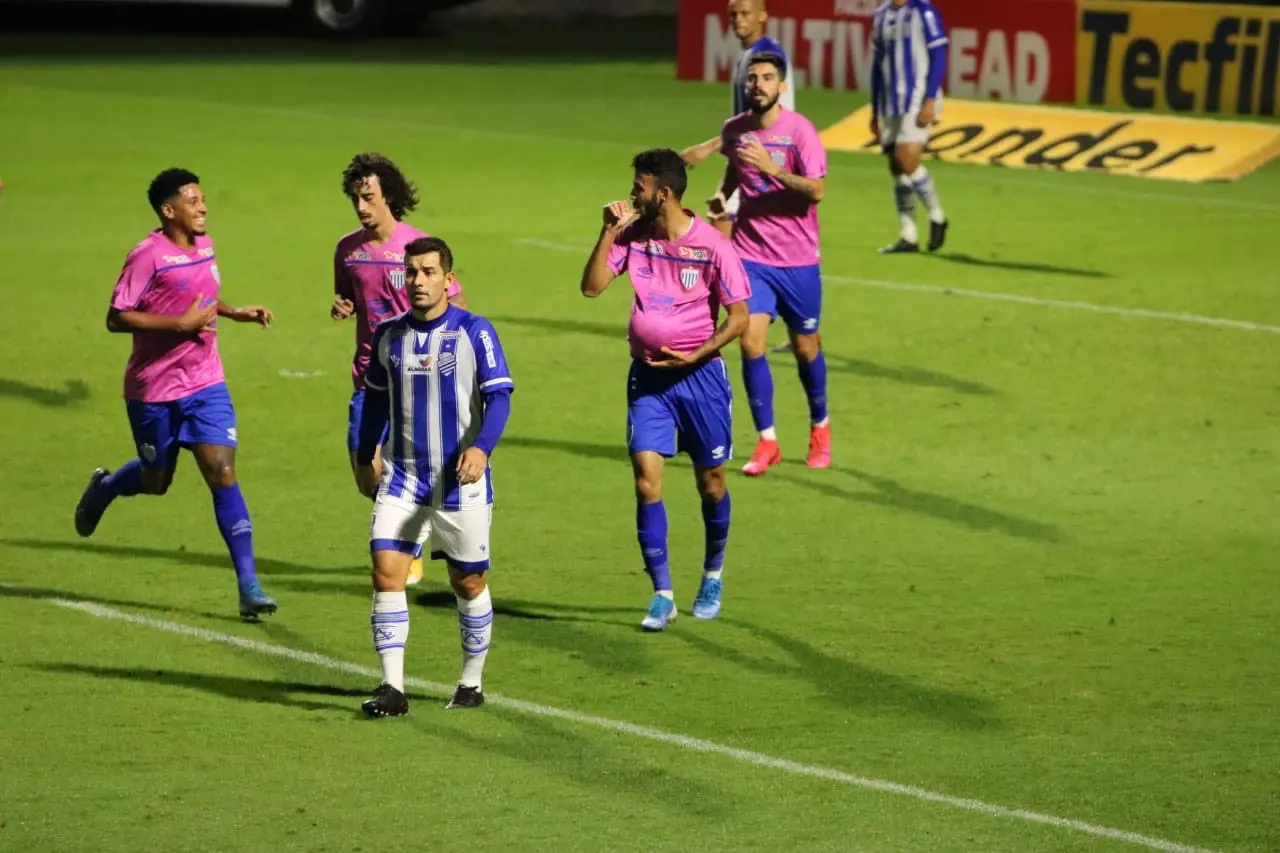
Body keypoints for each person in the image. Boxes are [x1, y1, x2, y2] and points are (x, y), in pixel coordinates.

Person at [74, 168, 278, 620]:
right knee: (156, 480)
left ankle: (248, 584)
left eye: (203, 199)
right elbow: (117, 317)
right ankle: (107, 487)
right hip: (153, 390)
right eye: (193, 200)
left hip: (206, 383)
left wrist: (234, 311)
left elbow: (201, 297)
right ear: (170, 211)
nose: (203, 207)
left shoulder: (204, 244)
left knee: (222, 471)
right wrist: (179, 327)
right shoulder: (146, 256)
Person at [580, 149, 750, 632]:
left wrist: (698, 353)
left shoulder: (714, 246)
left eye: (639, 187)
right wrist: (607, 231)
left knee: (711, 481)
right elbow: (591, 288)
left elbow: (738, 317)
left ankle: (712, 574)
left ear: (664, 192)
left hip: (700, 380)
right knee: (645, 479)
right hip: (649, 379)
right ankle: (662, 593)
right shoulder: (633, 235)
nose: (633, 194)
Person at [355, 236, 512, 717]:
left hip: (458, 481)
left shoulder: (474, 332)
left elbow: (500, 397)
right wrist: (366, 454)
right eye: (412, 272)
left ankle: (471, 680)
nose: (418, 281)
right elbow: (376, 400)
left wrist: (482, 449)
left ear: (448, 278)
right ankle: (393, 688)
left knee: (467, 582)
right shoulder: (389, 336)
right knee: (386, 571)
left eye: (428, 272)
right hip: (403, 478)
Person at [332, 153, 466, 587]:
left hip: (417, 379)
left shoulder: (418, 249)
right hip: (369, 378)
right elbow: (347, 295)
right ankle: (411, 527)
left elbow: (457, 306)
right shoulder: (348, 250)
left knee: (414, 467)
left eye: (368, 197)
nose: (361, 207)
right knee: (365, 471)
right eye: (356, 198)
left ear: (388, 195)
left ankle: (408, 546)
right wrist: (343, 306)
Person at [714, 53, 831, 476]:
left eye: (767, 78)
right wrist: (722, 201)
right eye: (753, 78)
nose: (759, 84)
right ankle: (767, 441)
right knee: (750, 342)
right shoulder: (735, 130)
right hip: (751, 256)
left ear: (782, 86)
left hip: (798, 260)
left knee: (806, 347)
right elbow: (732, 172)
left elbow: (816, 191)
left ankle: (820, 427)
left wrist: (772, 169)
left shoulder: (801, 132)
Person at [680, 0, 794, 241]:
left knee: (723, 233)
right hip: (751, 155)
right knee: (725, 228)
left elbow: (761, 117)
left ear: (762, 16)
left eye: (745, 13)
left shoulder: (767, 56)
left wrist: (708, 148)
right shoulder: (748, 55)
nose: (738, 20)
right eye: (733, 14)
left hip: (766, 157)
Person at [871, 0, 950, 254]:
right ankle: (908, 234)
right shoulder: (881, 15)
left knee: (907, 158)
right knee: (895, 165)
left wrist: (929, 99)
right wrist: (874, 109)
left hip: (917, 99)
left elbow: (938, 53)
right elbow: (877, 64)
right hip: (890, 101)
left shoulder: (923, 11)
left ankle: (937, 215)